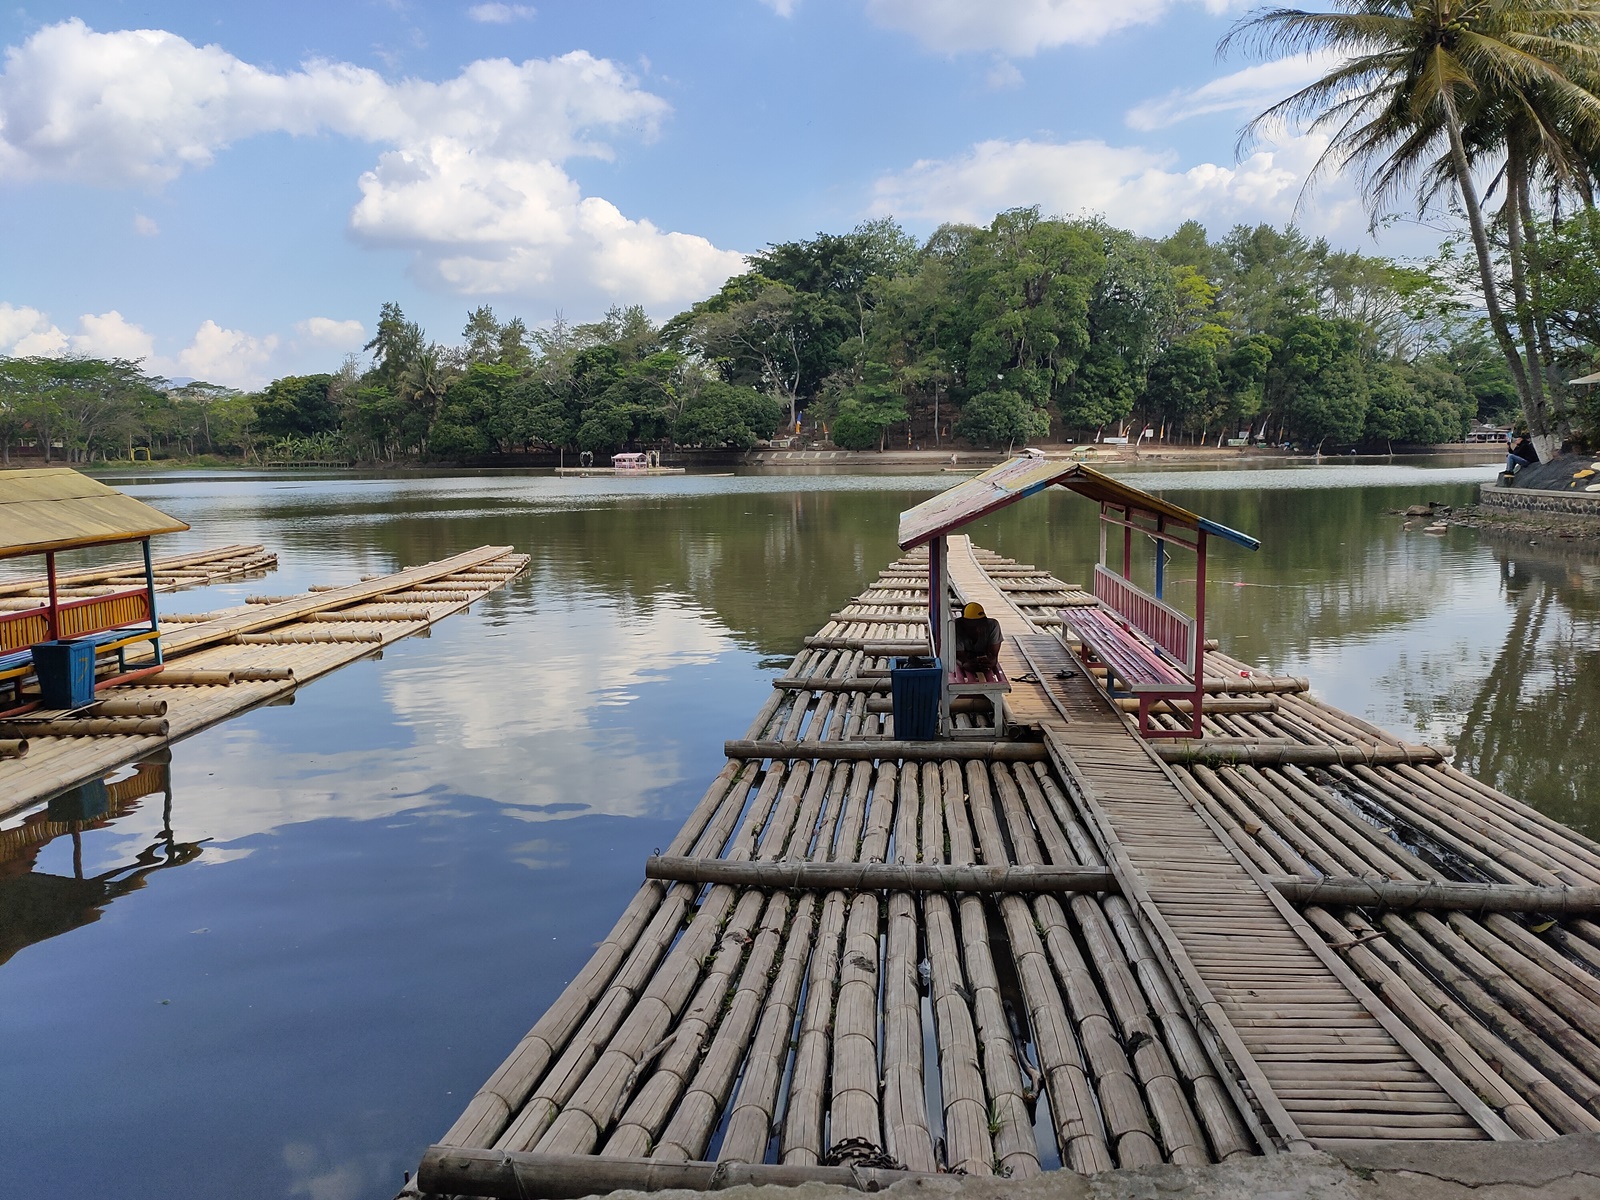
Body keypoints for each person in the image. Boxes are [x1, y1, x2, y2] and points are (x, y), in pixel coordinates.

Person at [953, 601, 1002, 675]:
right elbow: (960, 656)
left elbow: (993, 655)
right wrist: (965, 664)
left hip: (981, 659)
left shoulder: (993, 625)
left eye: (980, 624)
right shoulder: (957, 627)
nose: (977, 629)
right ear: (964, 623)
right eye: (972, 626)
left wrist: (990, 661)